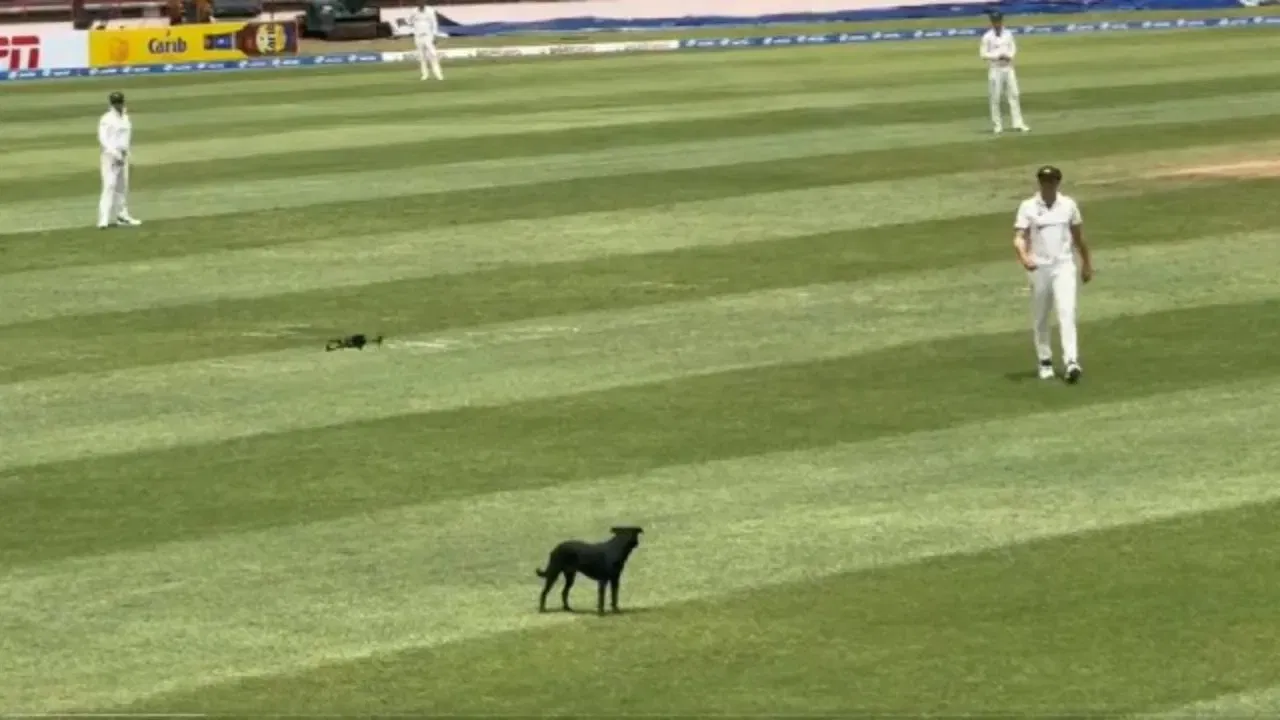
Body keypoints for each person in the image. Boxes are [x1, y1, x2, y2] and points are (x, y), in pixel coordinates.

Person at [1013, 166, 1093, 383]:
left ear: (1058, 182)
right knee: (1041, 315)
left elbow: (1078, 237)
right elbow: (1019, 237)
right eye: (1044, 181)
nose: (1047, 185)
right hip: (1039, 267)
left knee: (1067, 312)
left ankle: (1071, 361)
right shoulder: (1028, 207)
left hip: (1064, 266)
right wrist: (1024, 257)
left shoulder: (1068, 205)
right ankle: (1045, 360)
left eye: (1051, 181)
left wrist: (1086, 263)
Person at [979, 12, 1029, 135]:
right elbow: (983, 54)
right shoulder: (987, 37)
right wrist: (997, 56)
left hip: (1009, 68)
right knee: (995, 98)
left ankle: (1018, 123)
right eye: (995, 21)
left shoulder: (1008, 34)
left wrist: (1009, 56)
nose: (997, 23)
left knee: (1014, 95)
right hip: (996, 69)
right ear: (991, 22)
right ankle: (997, 126)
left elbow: (1013, 48)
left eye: (999, 21)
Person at [98, 91, 141, 229]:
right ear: (111, 103)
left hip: (123, 156)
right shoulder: (107, 119)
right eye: (115, 102)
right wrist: (115, 154)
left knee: (122, 188)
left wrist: (128, 155)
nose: (118, 104)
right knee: (109, 186)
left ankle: (122, 216)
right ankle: (103, 219)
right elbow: (103, 139)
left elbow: (126, 139)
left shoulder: (125, 118)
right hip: (110, 157)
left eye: (120, 102)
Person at [409, 3, 444, 81]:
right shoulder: (413, 11)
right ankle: (425, 75)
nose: (420, 3)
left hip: (428, 36)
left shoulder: (430, 11)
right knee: (422, 57)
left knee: (433, 55)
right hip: (418, 36)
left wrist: (435, 35)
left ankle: (438, 74)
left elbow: (434, 23)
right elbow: (410, 22)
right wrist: (414, 27)